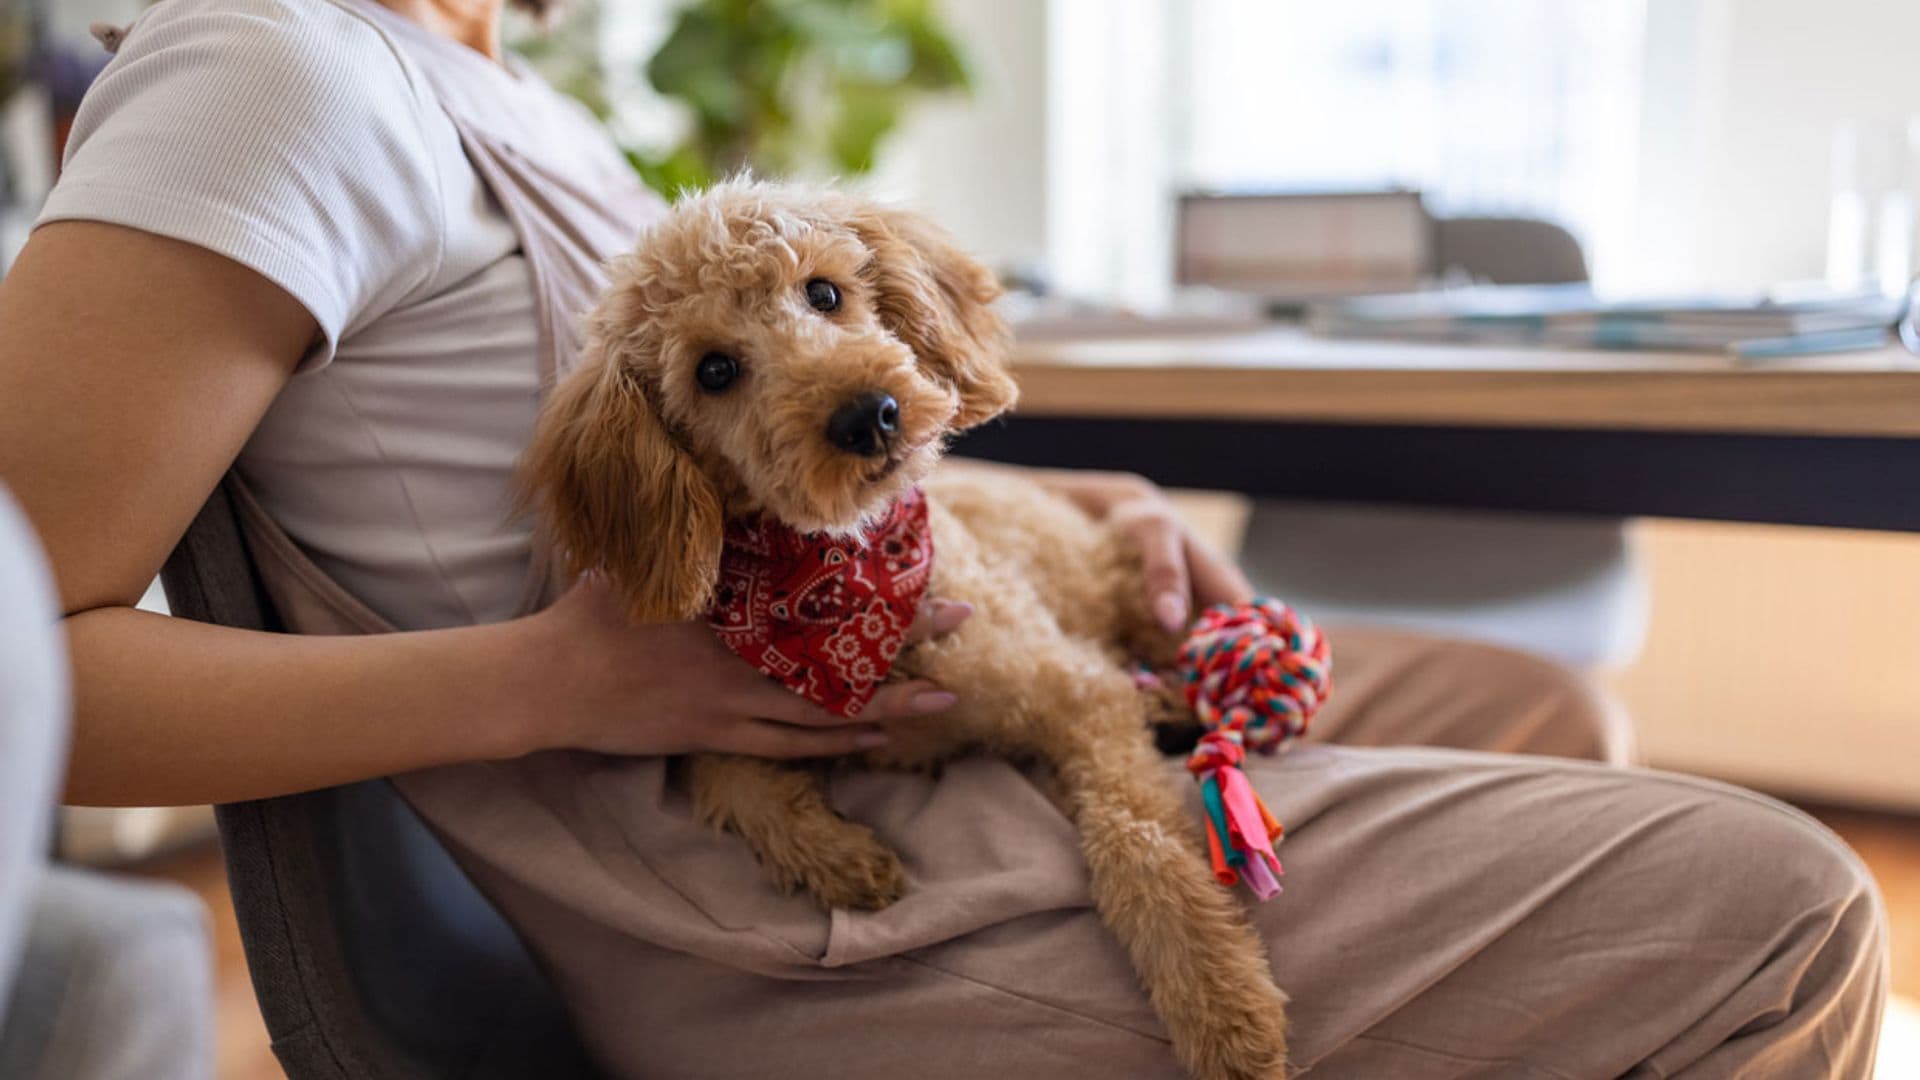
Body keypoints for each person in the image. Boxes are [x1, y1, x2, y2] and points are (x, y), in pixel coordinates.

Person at [0, 0, 1886, 1075]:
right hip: (756, 862)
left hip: (928, 649)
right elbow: (21, 666)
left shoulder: (505, 88)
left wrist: (1083, 503)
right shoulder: (265, 75)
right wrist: (546, 680)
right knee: (1791, 914)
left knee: (1535, 701)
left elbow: (815, 453)